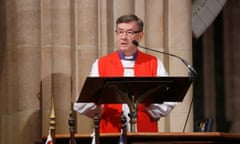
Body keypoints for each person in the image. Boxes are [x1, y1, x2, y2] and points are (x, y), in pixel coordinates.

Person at [74, 14, 176, 133]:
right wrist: (99, 106)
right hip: (110, 134)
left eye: (129, 32)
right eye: (120, 32)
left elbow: (169, 100)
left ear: (140, 36)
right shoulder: (102, 64)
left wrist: (147, 106)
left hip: (144, 134)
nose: (124, 37)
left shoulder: (153, 63)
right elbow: (84, 101)